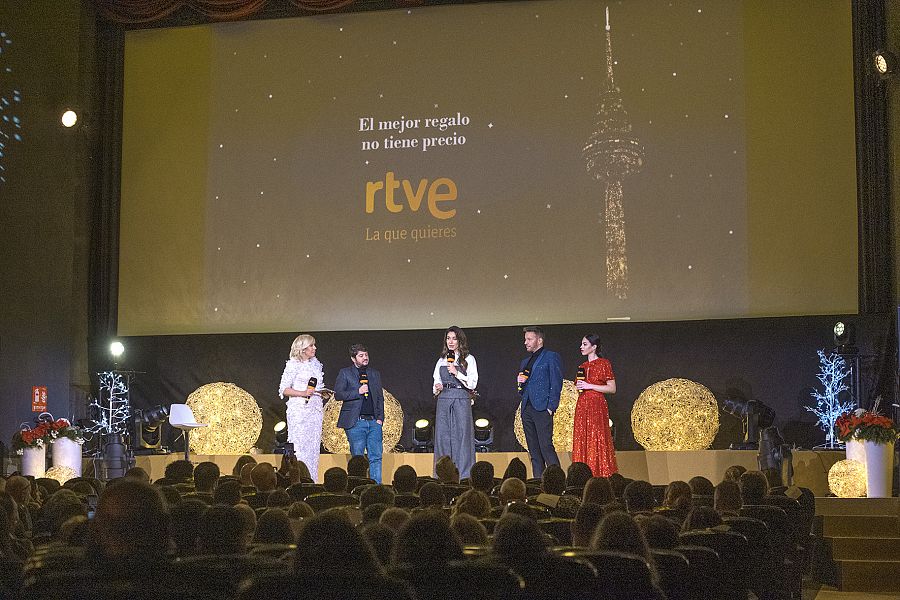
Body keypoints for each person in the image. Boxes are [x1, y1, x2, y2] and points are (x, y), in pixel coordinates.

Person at [334, 343, 386, 483]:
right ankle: (358, 488)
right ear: (353, 358)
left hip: (374, 422)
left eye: (366, 355)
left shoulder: (374, 374)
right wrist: (357, 391)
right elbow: (338, 394)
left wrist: (380, 419)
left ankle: (376, 488)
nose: (365, 358)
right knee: (358, 459)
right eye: (361, 356)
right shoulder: (345, 373)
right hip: (356, 422)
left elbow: (379, 397)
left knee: (376, 457)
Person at [432, 326, 478, 480]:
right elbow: (436, 382)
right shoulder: (441, 360)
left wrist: (457, 373)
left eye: (454, 338)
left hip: (461, 397)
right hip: (444, 399)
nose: (451, 342)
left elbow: (472, 383)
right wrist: (437, 388)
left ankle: (464, 476)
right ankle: (443, 475)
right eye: (448, 338)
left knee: (463, 436)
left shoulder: (468, 359)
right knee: (443, 437)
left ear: (460, 340)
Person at [278, 333, 326, 481]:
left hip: (315, 410)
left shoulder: (316, 364)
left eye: (314, 345)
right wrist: (303, 393)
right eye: (311, 345)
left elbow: (315, 387)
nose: (314, 348)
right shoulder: (293, 364)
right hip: (299, 410)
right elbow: (284, 389)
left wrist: (321, 393)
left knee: (313, 448)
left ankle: (312, 479)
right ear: (302, 348)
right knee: (300, 446)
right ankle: (298, 479)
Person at [517, 326, 562, 478]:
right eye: (525, 339)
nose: (526, 342)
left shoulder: (551, 356)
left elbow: (556, 382)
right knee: (534, 451)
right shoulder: (525, 362)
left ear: (539, 340)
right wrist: (520, 383)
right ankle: (538, 484)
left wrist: (551, 407)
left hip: (542, 408)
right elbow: (522, 388)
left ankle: (557, 482)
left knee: (546, 447)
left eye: (529, 339)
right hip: (527, 408)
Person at [572, 333, 618, 477]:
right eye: (581, 344)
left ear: (594, 347)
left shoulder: (604, 363)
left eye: (585, 344)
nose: (581, 347)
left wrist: (589, 385)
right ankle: (582, 475)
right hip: (582, 405)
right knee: (583, 437)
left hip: (597, 405)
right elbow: (579, 387)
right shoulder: (582, 366)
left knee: (597, 437)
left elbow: (612, 388)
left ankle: (600, 473)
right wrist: (580, 386)